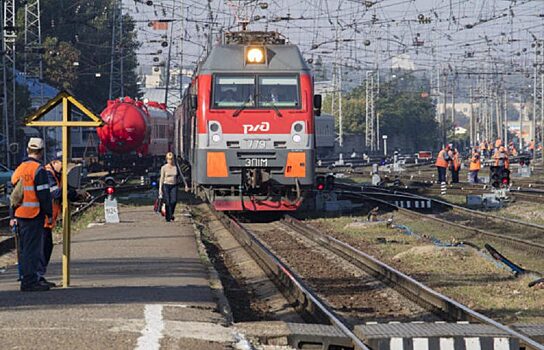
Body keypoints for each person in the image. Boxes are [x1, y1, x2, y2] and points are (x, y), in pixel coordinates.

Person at [10, 138, 53, 292]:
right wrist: (49, 213)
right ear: (41, 152)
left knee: (25, 250)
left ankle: (28, 278)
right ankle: (29, 282)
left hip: (20, 215)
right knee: (33, 251)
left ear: (28, 150)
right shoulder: (39, 170)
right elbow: (44, 195)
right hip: (34, 215)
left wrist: (12, 216)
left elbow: (14, 195)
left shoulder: (19, 169)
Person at [39, 154, 78, 287]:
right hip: (42, 218)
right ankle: (37, 276)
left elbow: (66, 192)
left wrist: (76, 194)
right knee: (42, 248)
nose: (64, 170)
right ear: (54, 162)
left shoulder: (58, 174)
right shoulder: (48, 174)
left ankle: (39, 275)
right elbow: (56, 193)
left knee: (46, 247)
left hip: (48, 219)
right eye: (62, 166)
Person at [159, 152, 179, 222]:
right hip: (166, 185)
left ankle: (171, 213)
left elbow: (180, 176)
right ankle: (168, 217)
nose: (170, 160)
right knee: (167, 201)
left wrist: (185, 185)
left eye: (171, 159)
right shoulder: (164, 168)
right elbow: (161, 178)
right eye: (169, 159)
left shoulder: (176, 167)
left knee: (174, 201)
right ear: (166, 159)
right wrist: (160, 190)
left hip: (174, 185)